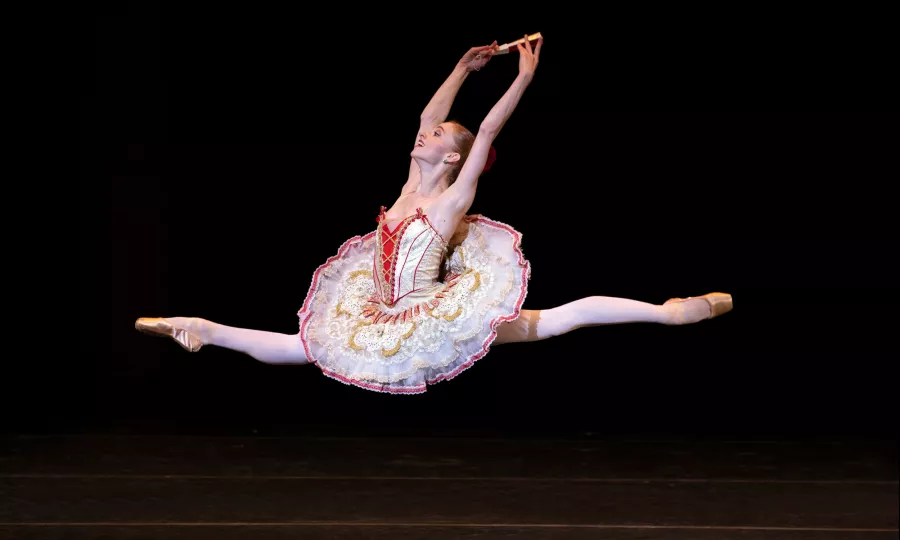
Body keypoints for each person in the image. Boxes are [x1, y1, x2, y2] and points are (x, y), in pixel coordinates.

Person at [136, 36, 732, 394]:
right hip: (381, 306)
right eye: (425, 131)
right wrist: (463, 69)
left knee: (550, 321)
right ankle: (204, 327)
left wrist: (522, 77)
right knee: (303, 348)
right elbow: (428, 111)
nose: (422, 134)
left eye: (436, 135)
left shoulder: (451, 197)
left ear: (454, 155)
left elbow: (490, 128)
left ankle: (667, 313)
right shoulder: (405, 190)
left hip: (432, 312)